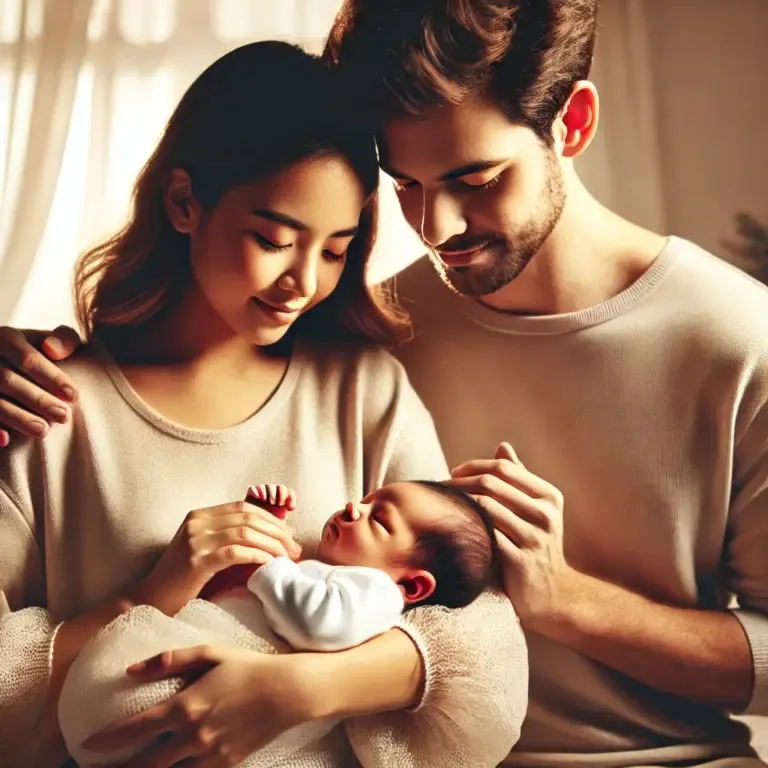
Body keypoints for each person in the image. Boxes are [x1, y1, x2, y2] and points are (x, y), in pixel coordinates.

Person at [7, 1, 768, 765]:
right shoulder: (387, 329)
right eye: (406, 184)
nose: (435, 228)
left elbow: (474, 642)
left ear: (571, 125)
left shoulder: (739, 338)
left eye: (475, 178)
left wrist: (565, 600)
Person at [0, 40, 528, 768]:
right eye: (274, 239)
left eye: (338, 249)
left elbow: (482, 642)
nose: (303, 282)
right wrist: (149, 596)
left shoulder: (362, 389)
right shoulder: (45, 409)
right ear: (185, 203)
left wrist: (298, 690)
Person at [59, 479, 500, 767]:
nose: (353, 506)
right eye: (366, 499)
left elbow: (317, 624)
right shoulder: (330, 573)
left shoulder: (378, 595)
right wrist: (260, 529)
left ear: (415, 587)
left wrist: (269, 562)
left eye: (378, 518)